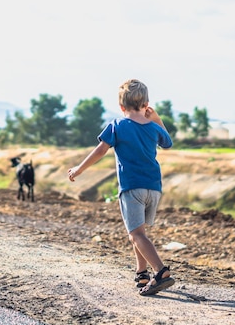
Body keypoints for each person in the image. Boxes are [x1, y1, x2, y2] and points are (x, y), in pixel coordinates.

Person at [67, 79, 175, 296]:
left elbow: (100, 151)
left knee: (136, 235)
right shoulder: (154, 127)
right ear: (146, 104)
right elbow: (168, 143)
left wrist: (78, 169)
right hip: (153, 188)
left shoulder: (117, 125)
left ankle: (160, 271)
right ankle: (141, 272)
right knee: (138, 232)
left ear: (121, 107)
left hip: (131, 187)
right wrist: (157, 118)